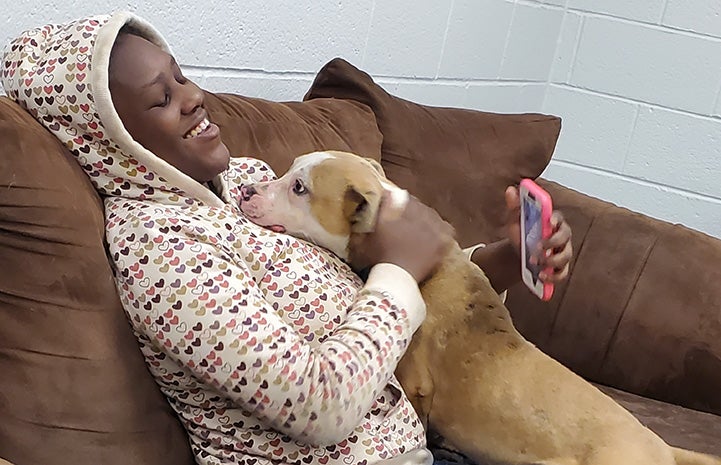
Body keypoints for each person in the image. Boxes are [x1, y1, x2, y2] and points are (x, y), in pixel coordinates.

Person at [0, 12, 572, 465]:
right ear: (113, 141)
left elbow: (370, 282)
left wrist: (499, 262)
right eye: (161, 98)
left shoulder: (247, 182)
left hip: (424, 441)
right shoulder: (162, 250)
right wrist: (399, 271)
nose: (194, 96)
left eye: (181, 75)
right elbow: (317, 405)